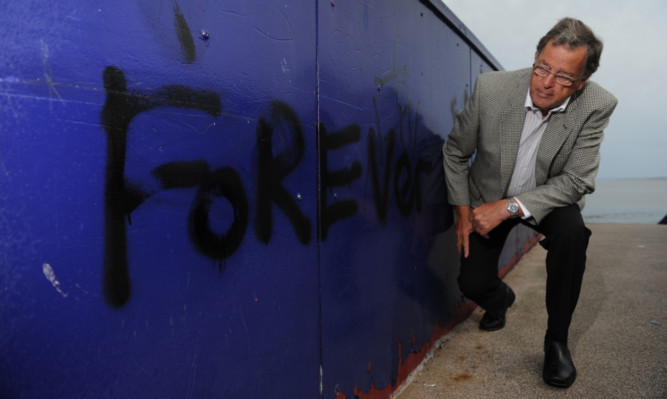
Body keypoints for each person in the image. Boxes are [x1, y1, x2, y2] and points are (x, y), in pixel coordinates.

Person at [442, 17, 617, 388]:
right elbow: (456, 152)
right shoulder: (492, 89)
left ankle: (556, 343)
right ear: (536, 57)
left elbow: (577, 180)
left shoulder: (597, 104)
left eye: (564, 77)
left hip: (546, 196)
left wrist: (509, 207)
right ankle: (500, 299)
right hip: (486, 194)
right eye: (542, 68)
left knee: (573, 234)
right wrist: (462, 213)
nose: (547, 83)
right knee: (471, 283)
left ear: (581, 82)